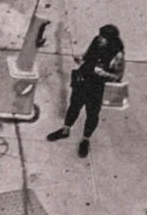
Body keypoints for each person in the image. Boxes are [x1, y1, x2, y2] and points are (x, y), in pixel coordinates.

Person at [47, 23, 126, 156]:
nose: (100, 39)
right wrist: (82, 58)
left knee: (92, 114)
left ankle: (85, 139)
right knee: (74, 107)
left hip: (97, 88)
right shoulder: (97, 40)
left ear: (110, 39)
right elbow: (89, 53)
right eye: (100, 36)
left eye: (103, 37)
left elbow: (117, 76)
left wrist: (102, 73)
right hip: (83, 81)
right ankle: (65, 130)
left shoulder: (117, 55)